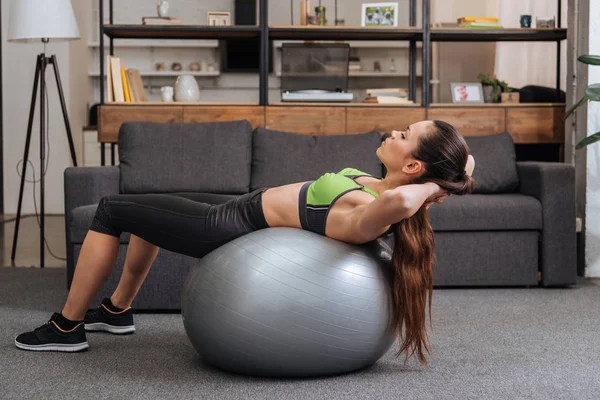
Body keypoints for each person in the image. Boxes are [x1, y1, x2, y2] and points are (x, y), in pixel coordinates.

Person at [15, 120, 476, 366]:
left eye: (405, 136)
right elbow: (462, 162)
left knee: (111, 209)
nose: (395, 132)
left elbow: (401, 197)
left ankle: (66, 328)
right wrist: (452, 177)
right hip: (241, 206)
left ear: (415, 168)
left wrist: (439, 186)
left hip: (228, 226)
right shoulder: (379, 188)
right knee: (142, 207)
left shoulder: (371, 212)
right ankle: (117, 312)